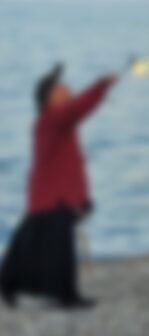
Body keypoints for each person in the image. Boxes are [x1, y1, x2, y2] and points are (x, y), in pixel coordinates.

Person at [0, 63, 118, 308]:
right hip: (51, 200)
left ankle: (15, 288)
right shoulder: (51, 120)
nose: (67, 89)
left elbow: (70, 161)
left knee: (31, 249)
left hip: (52, 198)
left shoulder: (58, 122)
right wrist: (101, 85)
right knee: (50, 250)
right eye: (60, 87)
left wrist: (82, 199)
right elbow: (78, 108)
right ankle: (65, 297)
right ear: (48, 98)